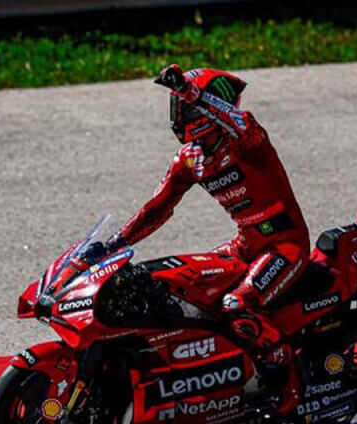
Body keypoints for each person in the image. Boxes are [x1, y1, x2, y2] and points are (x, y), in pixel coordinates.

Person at [106, 64, 310, 415]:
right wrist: (114, 244)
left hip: (284, 244)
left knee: (237, 304)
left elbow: (240, 122)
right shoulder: (191, 159)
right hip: (247, 245)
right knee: (190, 287)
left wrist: (192, 92)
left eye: (184, 107)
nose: (179, 115)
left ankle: (290, 386)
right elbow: (157, 209)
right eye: (178, 106)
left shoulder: (247, 141)